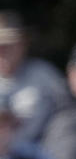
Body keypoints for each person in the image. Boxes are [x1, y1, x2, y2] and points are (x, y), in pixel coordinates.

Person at [0, 11, 68, 145]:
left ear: (22, 45)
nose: (2, 51)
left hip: (42, 155)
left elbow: (70, 110)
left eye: (8, 45)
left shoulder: (43, 74)